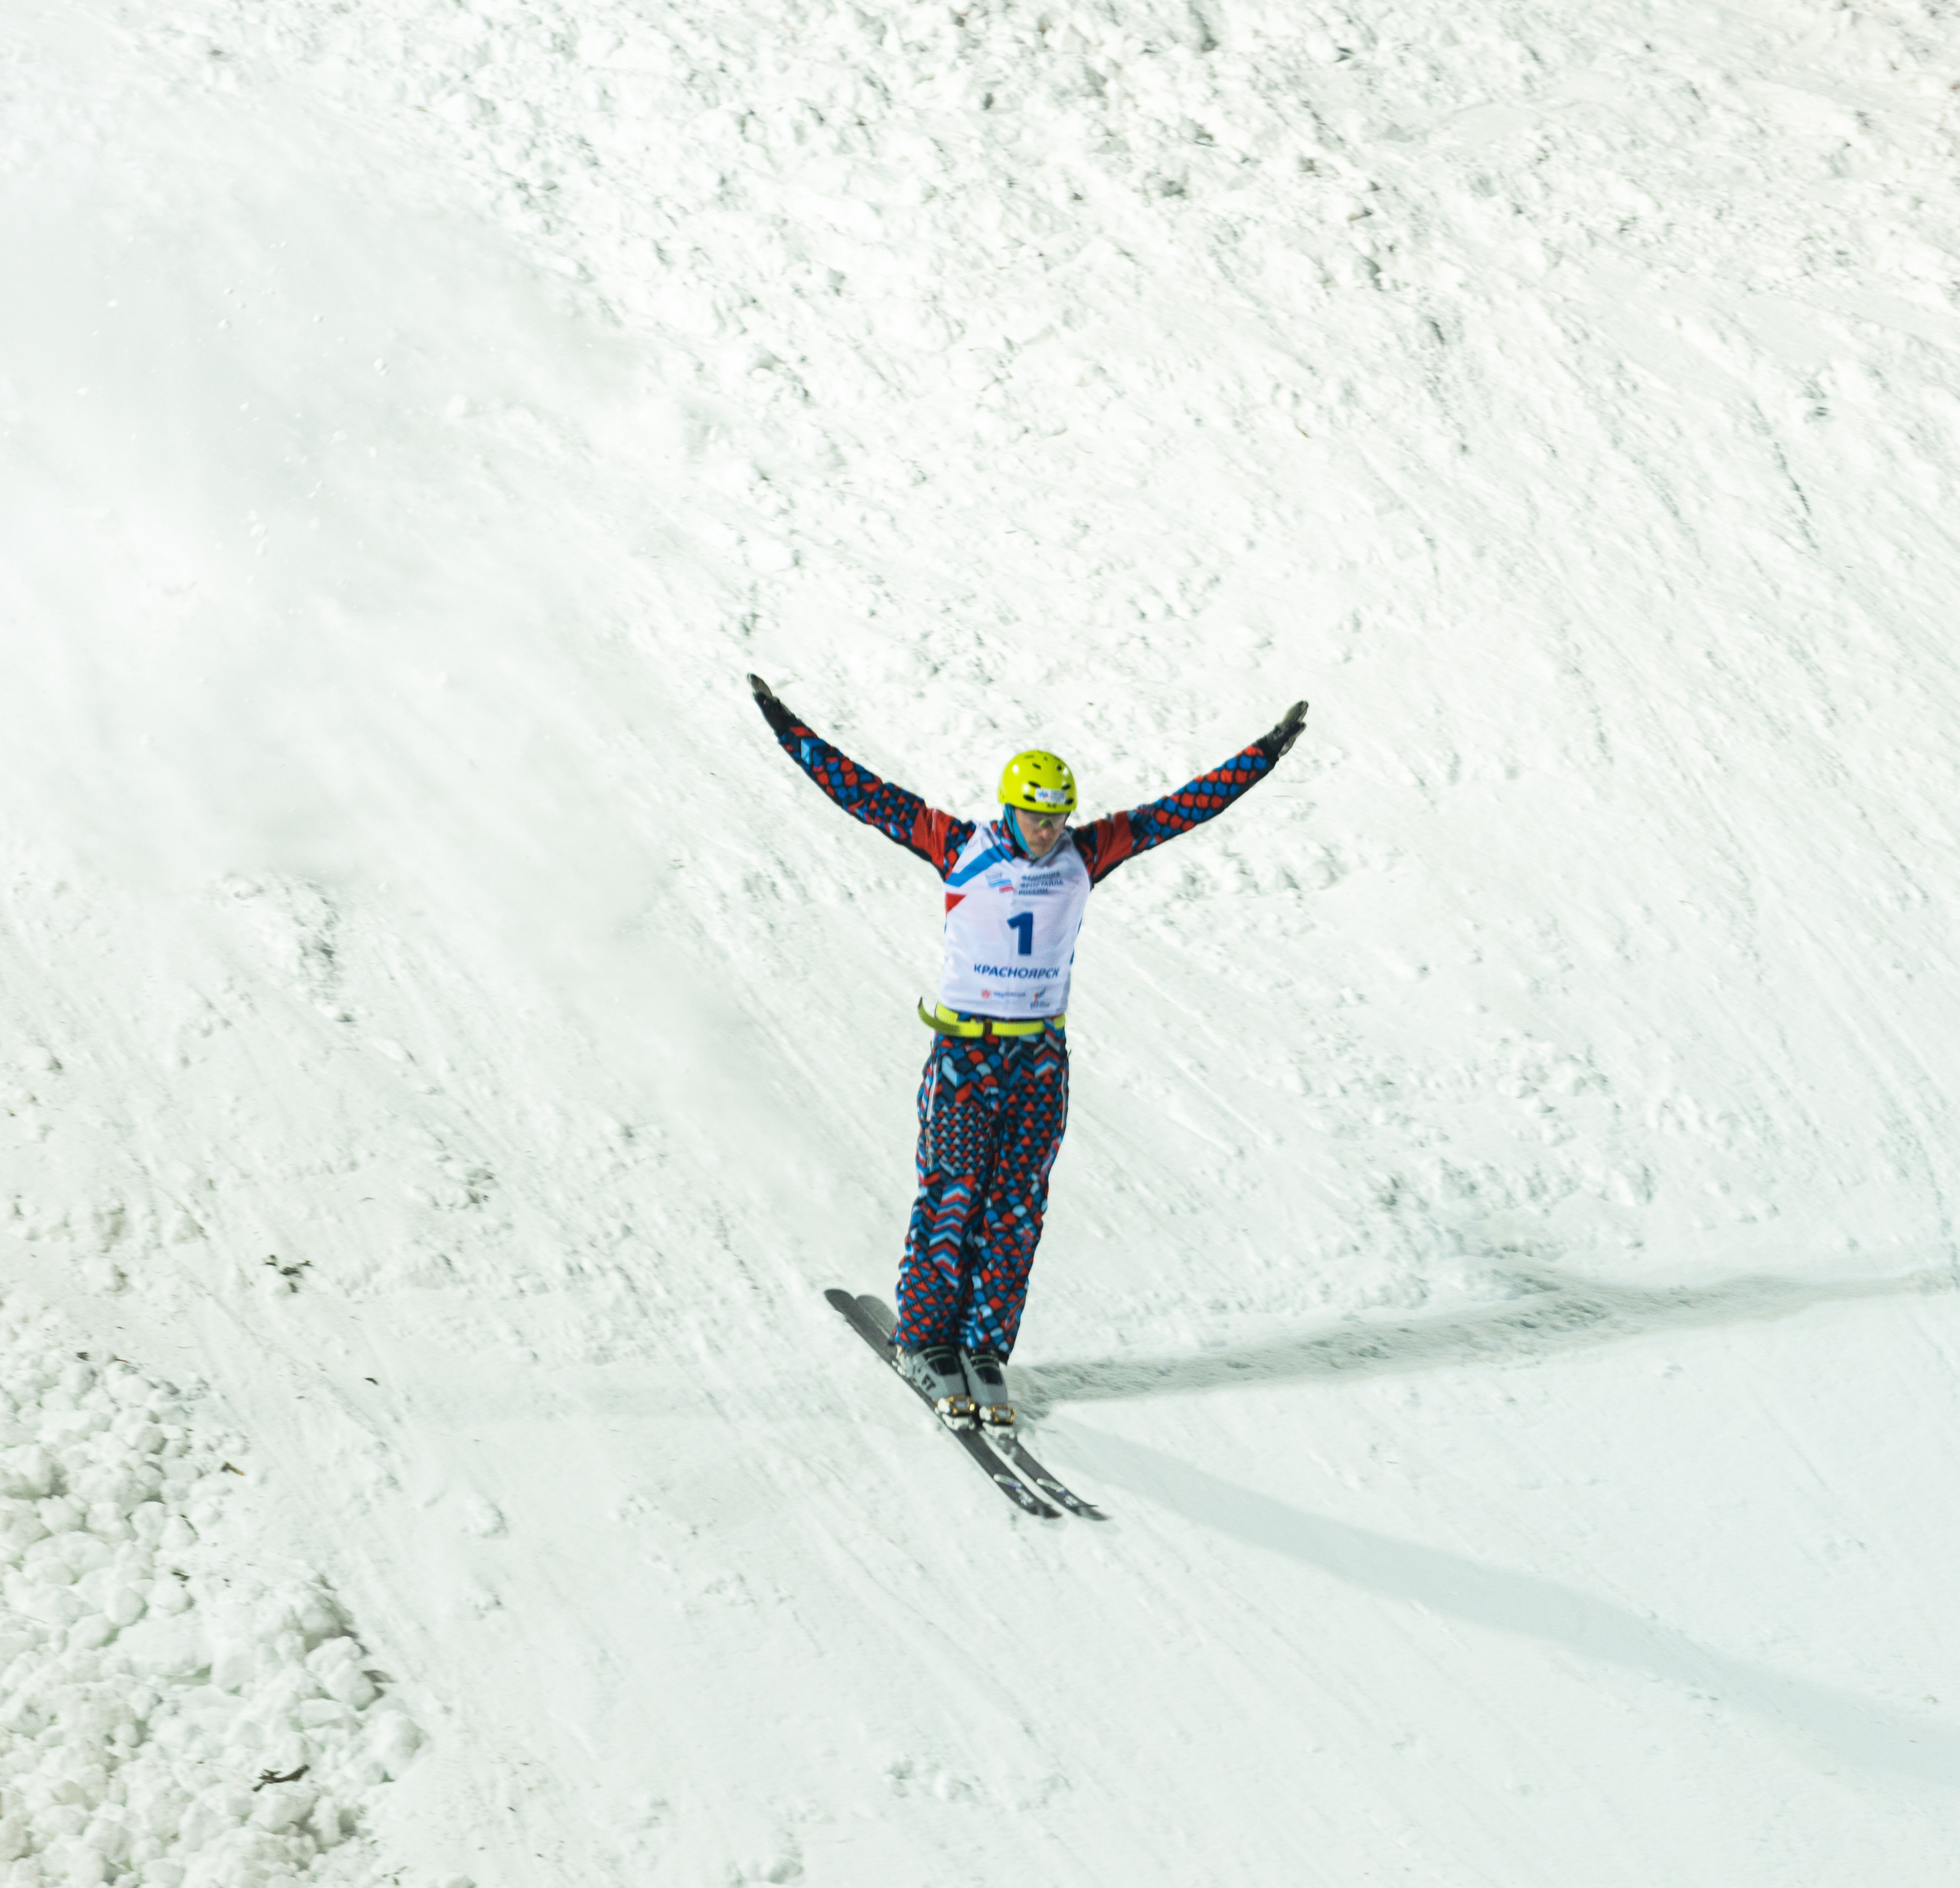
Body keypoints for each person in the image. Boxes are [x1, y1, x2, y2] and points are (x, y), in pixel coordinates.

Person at [749, 673, 1308, 1429]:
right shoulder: (958, 846)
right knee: (953, 1195)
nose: (1046, 831)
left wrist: (1266, 752)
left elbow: (1183, 809)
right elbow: (862, 793)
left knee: (1016, 1207)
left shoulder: (1088, 853)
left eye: (1055, 819)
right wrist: (786, 725)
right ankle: (925, 1339)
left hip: (1039, 1059)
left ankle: (984, 1349)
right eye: (1034, 817)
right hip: (965, 1057)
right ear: (1008, 807)